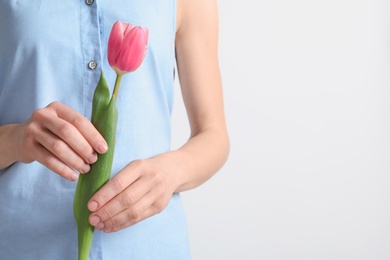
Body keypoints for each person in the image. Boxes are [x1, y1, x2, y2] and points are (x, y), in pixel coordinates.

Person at [0, 0, 229, 259]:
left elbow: (213, 134)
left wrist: (169, 173)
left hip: (147, 246)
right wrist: (14, 140)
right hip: (23, 245)